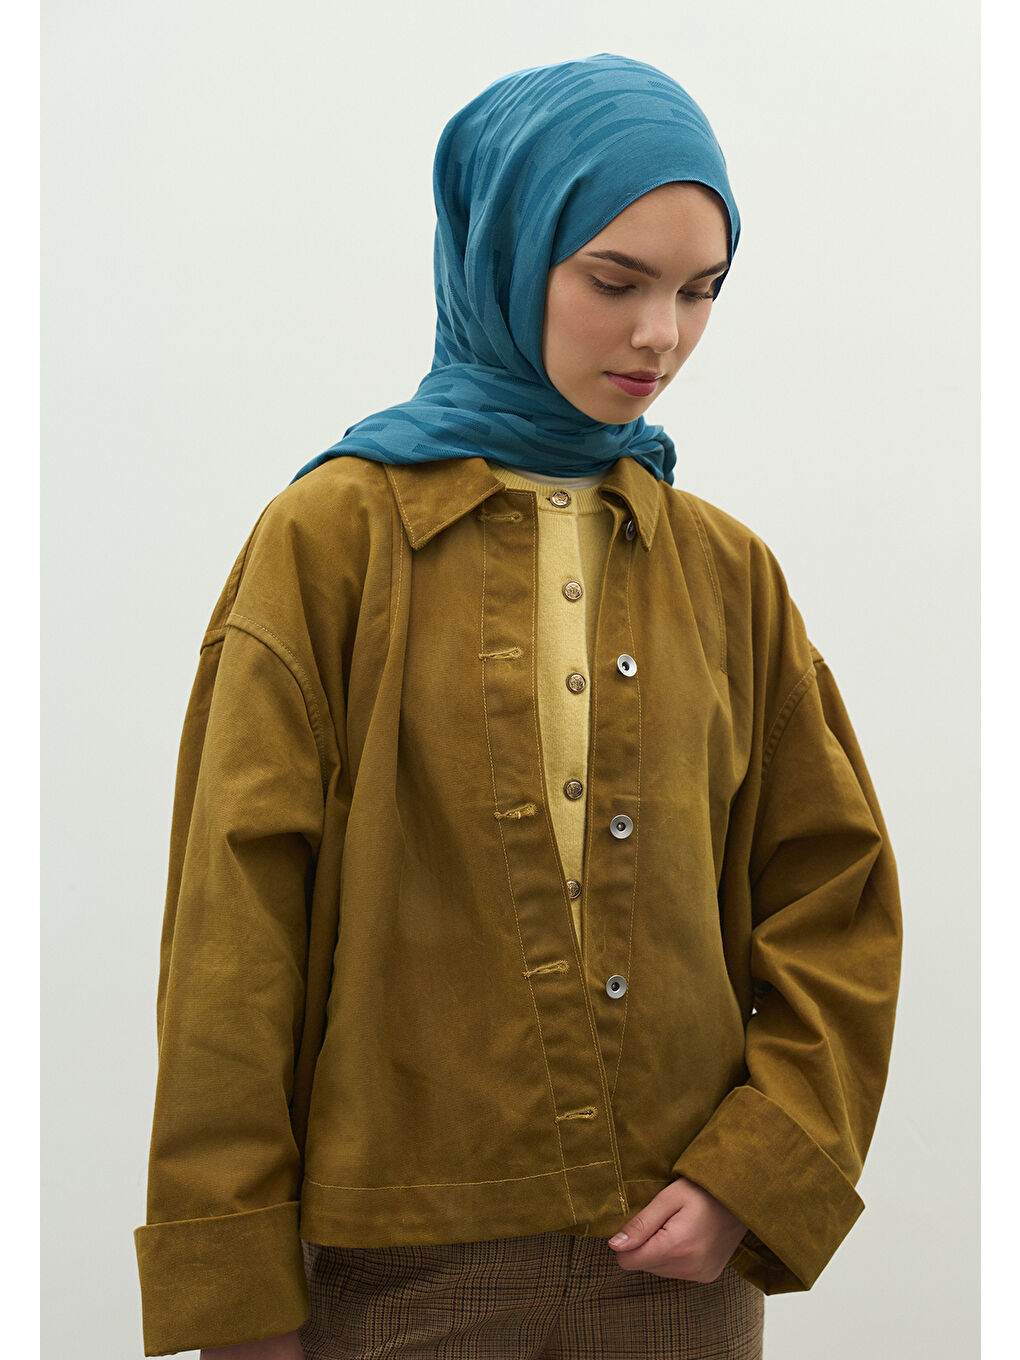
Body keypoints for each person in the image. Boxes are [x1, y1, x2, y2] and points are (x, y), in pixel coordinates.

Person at [133, 53, 903, 1360]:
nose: (660, 336)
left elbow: (837, 894)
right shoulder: (331, 541)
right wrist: (236, 1290)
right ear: (505, 247)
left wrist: (754, 1173)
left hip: (680, 1276)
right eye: (615, 280)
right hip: (388, 1274)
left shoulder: (727, 573)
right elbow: (234, 926)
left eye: (700, 292)